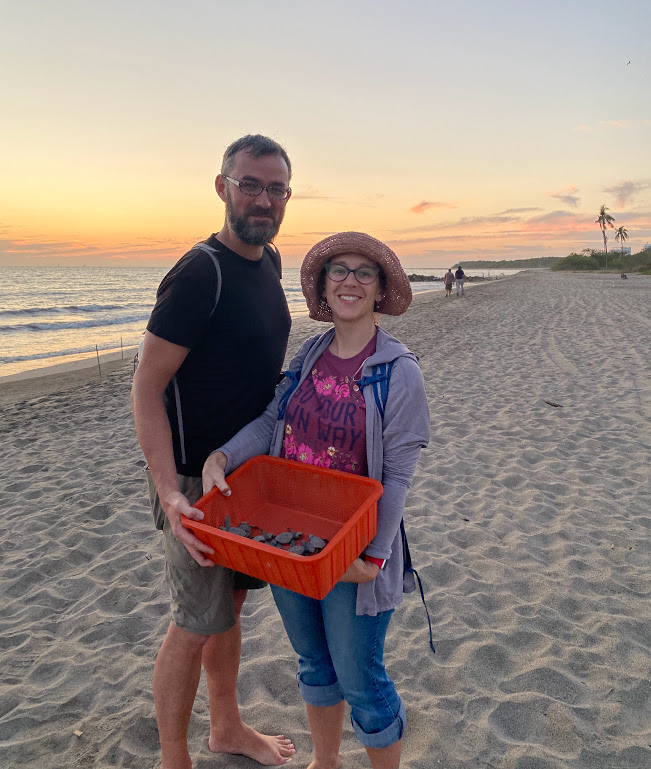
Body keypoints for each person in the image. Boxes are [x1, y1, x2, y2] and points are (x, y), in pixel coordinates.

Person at [204, 232, 430, 769]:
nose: (350, 280)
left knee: (361, 678)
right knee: (313, 663)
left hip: (354, 551)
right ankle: (324, 762)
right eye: (339, 271)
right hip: (292, 541)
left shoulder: (399, 372)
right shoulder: (308, 353)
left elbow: (397, 477)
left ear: (380, 291)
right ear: (325, 289)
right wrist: (222, 456)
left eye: (364, 273)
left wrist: (372, 557)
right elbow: (269, 423)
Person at [131, 134, 296, 769]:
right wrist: (171, 490)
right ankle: (175, 758)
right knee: (194, 620)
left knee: (229, 604)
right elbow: (146, 390)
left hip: (244, 473)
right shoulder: (200, 273)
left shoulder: (272, 262)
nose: (263, 198)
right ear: (222, 186)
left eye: (276, 188)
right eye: (250, 184)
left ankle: (226, 727)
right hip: (192, 481)